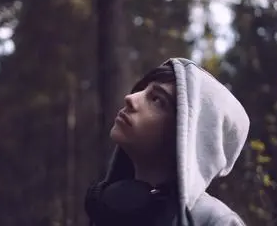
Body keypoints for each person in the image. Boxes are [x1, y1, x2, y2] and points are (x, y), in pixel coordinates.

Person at [85, 58, 250, 226]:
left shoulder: (215, 221)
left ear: (186, 132)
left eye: (156, 99)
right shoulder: (111, 210)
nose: (130, 98)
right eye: (141, 90)